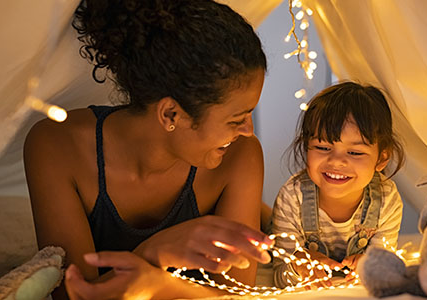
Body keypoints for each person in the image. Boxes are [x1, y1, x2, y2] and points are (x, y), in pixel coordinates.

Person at [23, 0, 272, 299]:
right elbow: (75, 295)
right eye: (237, 118)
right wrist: (156, 252)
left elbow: (237, 294)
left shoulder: (240, 156)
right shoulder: (56, 146)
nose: (248, 130)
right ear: (171, 115)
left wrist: (156, 280)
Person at [271, 82, 406, 288]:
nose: (336, 161)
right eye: (322, 147)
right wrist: (299, 266)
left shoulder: (386, 200)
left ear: (381, 158)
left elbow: (385, 269)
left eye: (355, 152)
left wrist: (370, 267)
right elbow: (280, 274)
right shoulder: (293, 197)